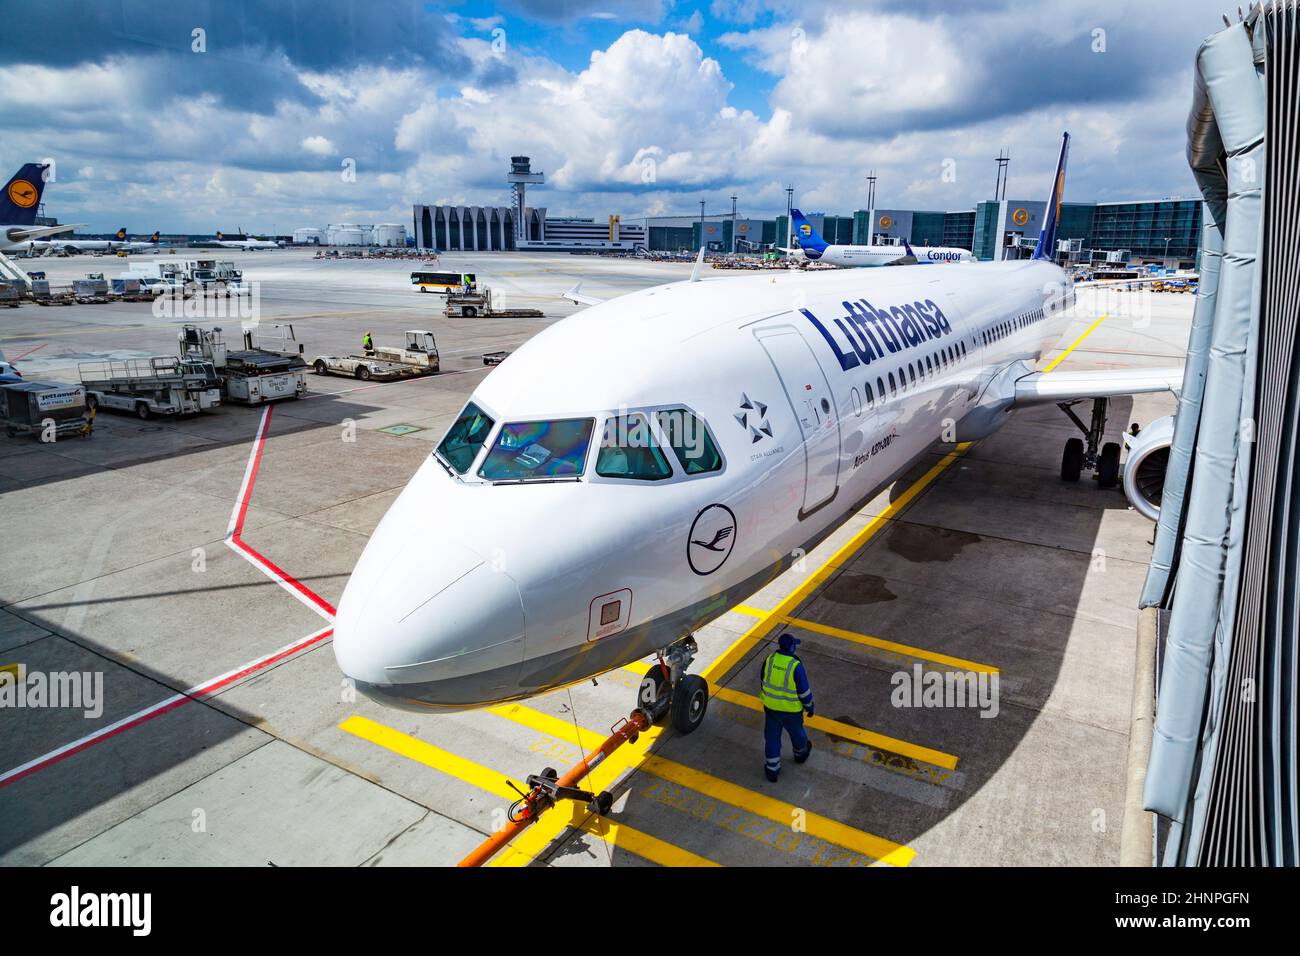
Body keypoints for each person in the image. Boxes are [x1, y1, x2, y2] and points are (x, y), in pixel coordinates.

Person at [759, 631, 814, 782]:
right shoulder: (795, 665)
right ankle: (800, 754)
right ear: (791, 648)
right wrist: (810, 707)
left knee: (772, 738)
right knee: (798, 735)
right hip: (791, 711)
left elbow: (763, 680)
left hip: (771, 708)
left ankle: (772, 768)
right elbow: (804, 691)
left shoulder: (769, 659)